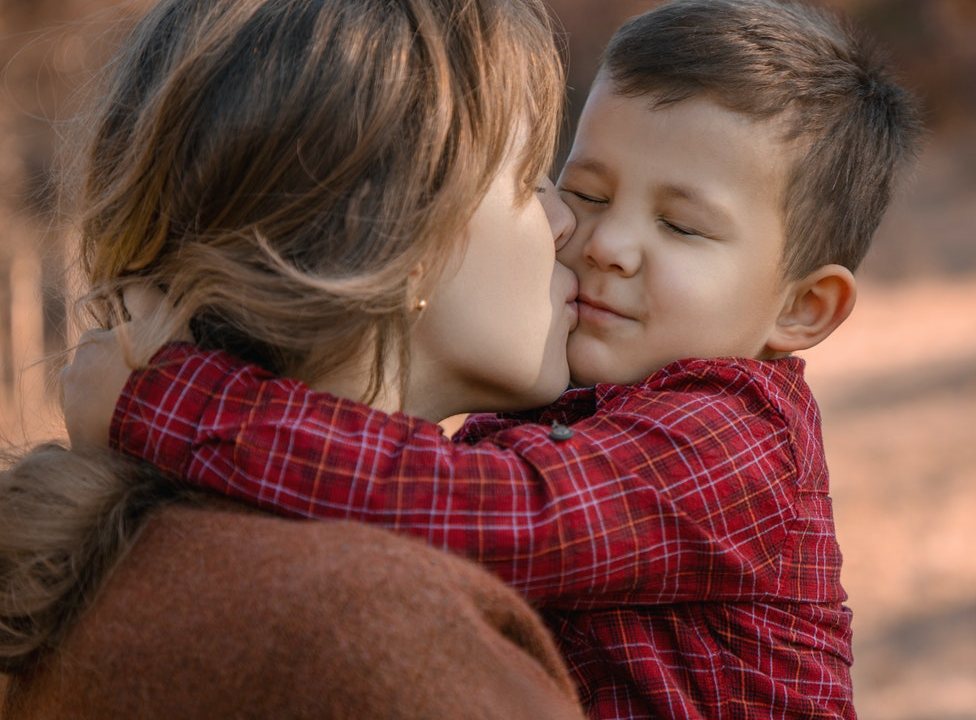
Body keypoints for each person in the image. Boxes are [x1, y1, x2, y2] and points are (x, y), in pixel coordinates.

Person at [64, 1, 923, 717]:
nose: (602, 243)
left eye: (682, 226)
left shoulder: (730, 434)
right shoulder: (569, 410)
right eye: (579, 191)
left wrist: (175, 401)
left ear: (803, 308)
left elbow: (493, 515)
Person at [1, 0, 588, 716]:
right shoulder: (387, 641)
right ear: (403, 238)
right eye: (532, 180)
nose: (568, 225)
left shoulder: (111, 574)